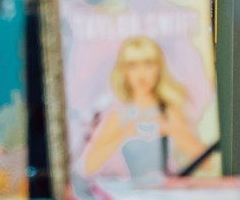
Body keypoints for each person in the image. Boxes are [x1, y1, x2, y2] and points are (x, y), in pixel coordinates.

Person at [79, 34, 201, 179]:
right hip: (132, 193)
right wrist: (124, 133)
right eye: (133, 66)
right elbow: (88, 167)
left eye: (148, 64)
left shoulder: (167, 112)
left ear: (158, 68)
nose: (141, 74)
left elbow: (205, 162)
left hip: (166, 191)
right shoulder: (120, 114)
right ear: (124, 71)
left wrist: (169, 129)